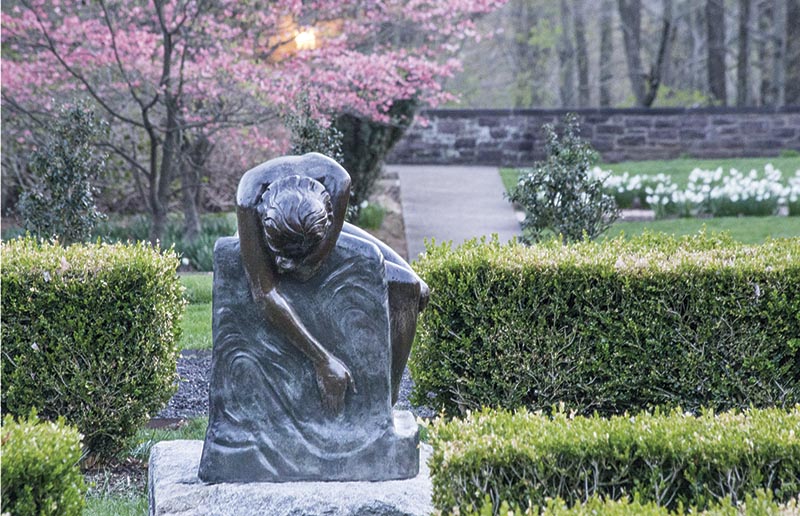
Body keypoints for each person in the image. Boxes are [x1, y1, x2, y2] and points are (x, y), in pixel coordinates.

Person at [236, 153, 428, 414]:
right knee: (407, 286)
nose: (284, 265)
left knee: (414, 288)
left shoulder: (337, 181)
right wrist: (323, 360)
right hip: (268, 233)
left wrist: (309, 261)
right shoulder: (249, 196)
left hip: (318, 233)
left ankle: (387, 398)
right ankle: (383, 403)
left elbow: (314, 263)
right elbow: (264, 293)